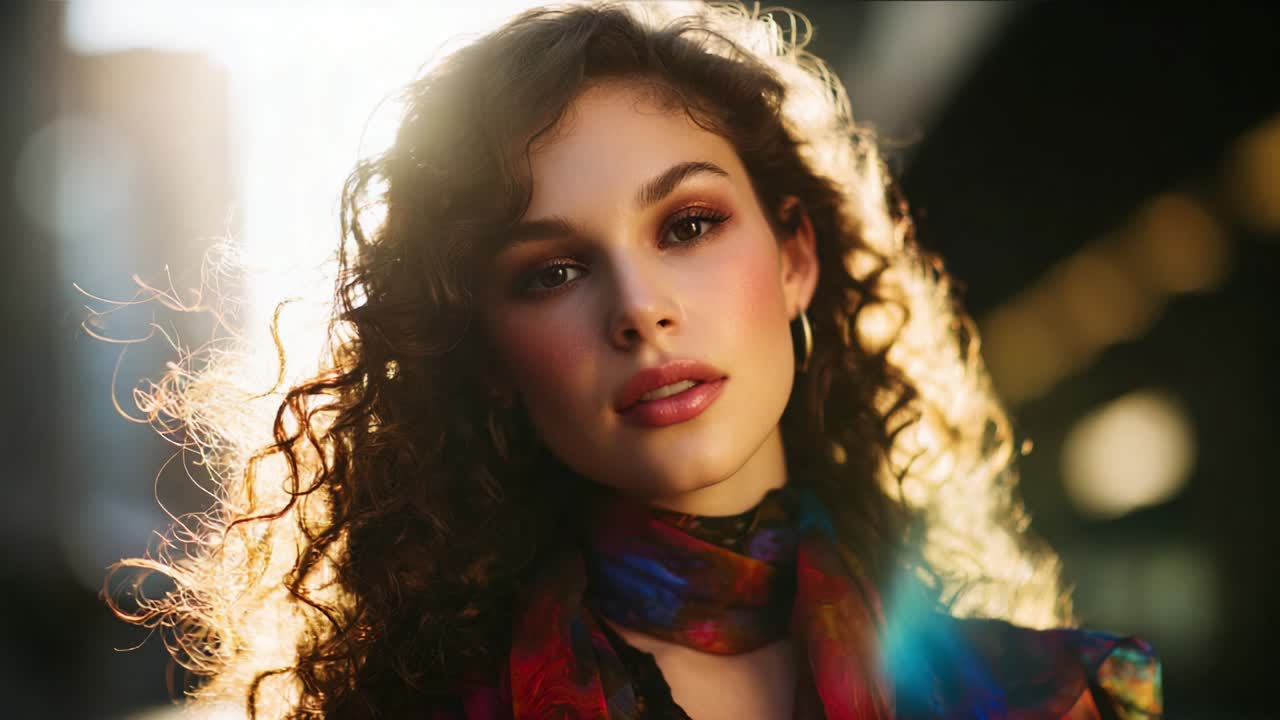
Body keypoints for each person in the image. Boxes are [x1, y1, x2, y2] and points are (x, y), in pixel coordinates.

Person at [109, 2, 1162, 718]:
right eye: (551, 273)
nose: (638, 310)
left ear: (795, 259)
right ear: (484, 357)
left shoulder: (1062, 698)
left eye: (688, 225)